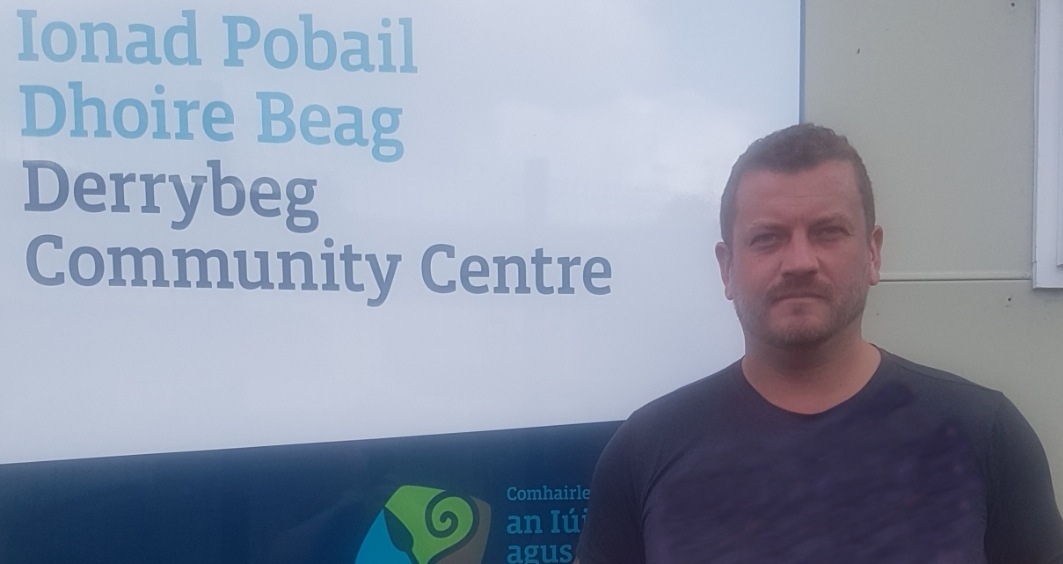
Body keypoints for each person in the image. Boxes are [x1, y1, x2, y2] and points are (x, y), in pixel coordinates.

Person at [575, 123, 1063, 563]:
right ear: (727, 268)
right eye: (768, 238)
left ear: (873, 253)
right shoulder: (644, 451)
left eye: (828, 232)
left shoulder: (986, 437)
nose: (799, 262)